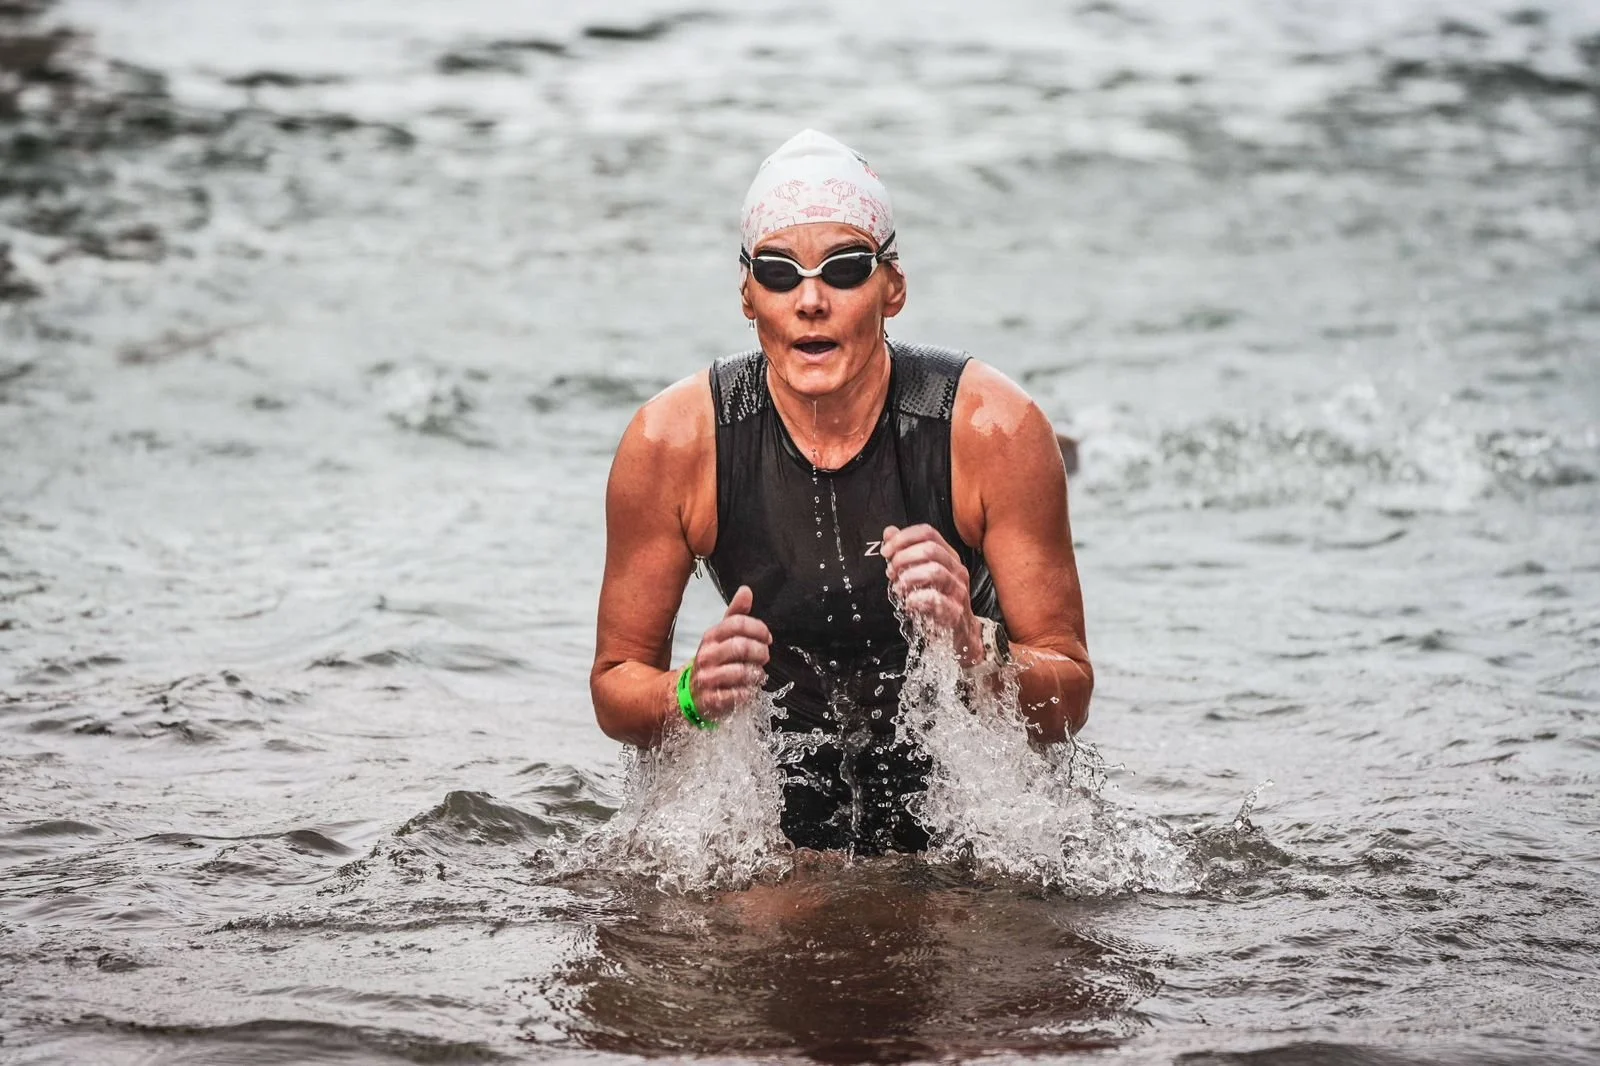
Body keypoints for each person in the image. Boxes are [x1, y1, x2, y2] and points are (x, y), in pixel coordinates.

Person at [591, 130, 1092, 855]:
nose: (811, 300)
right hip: (773, 825)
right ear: (746, 294)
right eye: (779, 272)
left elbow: (1069, 693)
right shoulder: (674, 442)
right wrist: (691, 695)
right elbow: (615, 685)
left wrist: (971, 649)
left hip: (970, 826)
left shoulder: (993, 429)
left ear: (893, 287)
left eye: (845, 269)